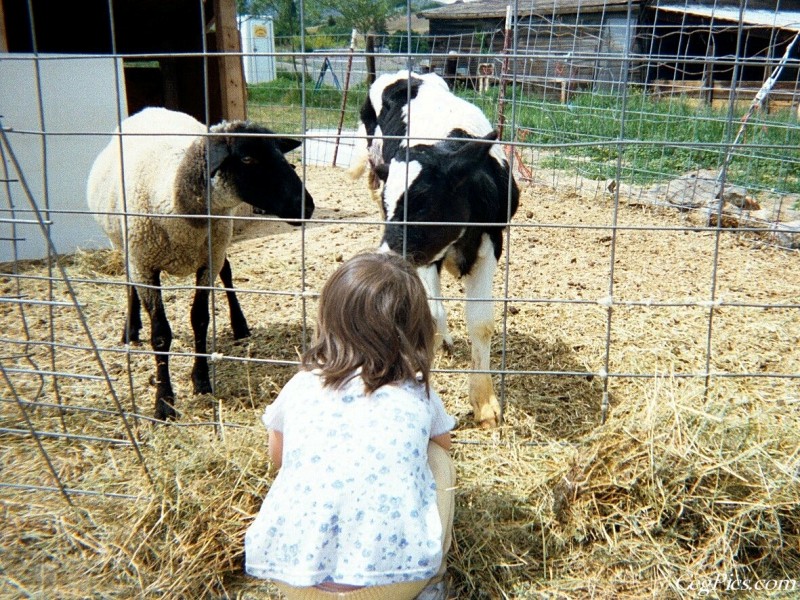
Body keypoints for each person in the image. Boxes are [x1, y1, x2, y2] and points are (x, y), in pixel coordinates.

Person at [245, 252, 457, 600]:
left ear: (328, 319)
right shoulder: (417, 389)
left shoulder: (301, 384)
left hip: (291, 577)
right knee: (438, 460)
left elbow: (277, 456)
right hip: (391, 584)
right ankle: (433, 584)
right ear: (416, 327)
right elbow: (443, 446)